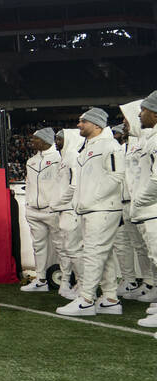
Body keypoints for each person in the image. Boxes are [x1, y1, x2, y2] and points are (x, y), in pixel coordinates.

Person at [57, 107, 123, 317]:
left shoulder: (110, 146)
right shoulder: (87, 149)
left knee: (93, 253)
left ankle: (86, 300)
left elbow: (116, 176)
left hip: (102, 209)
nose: (78, 125)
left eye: (82, 121)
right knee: (105, 254)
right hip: (92, 209)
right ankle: (111, 298)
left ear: (96, 125)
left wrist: (91, 199)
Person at [20, 128, 64, 292]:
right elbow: (29, 184)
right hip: (34, 210)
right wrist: (28, 204)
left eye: (35, 139)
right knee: (38, 246)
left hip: (52, 210)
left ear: (45, 141)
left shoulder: (59, 159)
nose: (32, 142)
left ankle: (66, 280)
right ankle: (41, 279)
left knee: (61, 246)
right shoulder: (31, 161)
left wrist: (56, 205)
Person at [114, 122, 154, 301]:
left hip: (141, 202)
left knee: (148, 246)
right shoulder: (123, 148)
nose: (123, 127)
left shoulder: (143, 143)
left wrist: (139, 200)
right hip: (126, 203)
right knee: (139, 246)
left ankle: (152, 282)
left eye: (126, 123)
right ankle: (147, 281)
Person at [130, 90, 157, 328]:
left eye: (144, 110)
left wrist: (139, 200)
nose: (140, 114)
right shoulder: (152, 139)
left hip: (152, 208)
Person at [49, 128, 82, 299]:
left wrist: (59, 203)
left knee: (73, 249)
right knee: (67, 249)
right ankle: (70, 283)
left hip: (70, 209)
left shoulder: (73, 156)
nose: (56, 141)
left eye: (60, 138)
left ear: (69, 139)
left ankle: (83, 286)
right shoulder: (64, 157)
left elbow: (74, 186)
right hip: (63, 210)